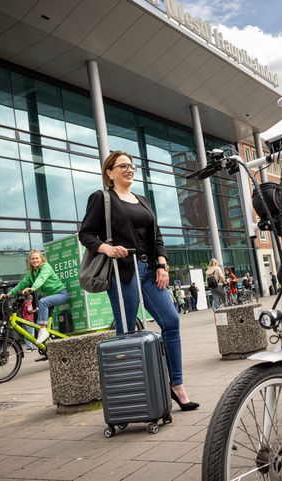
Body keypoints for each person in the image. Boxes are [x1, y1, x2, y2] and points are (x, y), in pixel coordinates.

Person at [78, 151, 198, 411]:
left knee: (171, 321)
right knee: (127, 332)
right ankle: (136, 393)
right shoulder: (102, 199)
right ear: (109, 172)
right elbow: (85, 233)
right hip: (123, 271)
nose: (128, 169)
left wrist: (162, 264)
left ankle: (176, 384)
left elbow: (157, 235)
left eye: (131, 166)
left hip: (150, 270)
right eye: (122, 166)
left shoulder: (142, 200)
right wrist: (106, 249)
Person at [0, 250, 68, 345]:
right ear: (30, 261)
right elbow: (21, 284)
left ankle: (44, 330)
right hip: (49, 297)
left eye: (37, 258)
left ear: (41, 259)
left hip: (61, 294)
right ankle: (46, 347)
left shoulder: (46, 267)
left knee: (42, 302)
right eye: (32, 259)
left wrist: (33, 288)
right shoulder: (32, 273)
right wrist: (8, 294)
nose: (35, 260)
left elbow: (42, 278)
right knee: (37, 323)